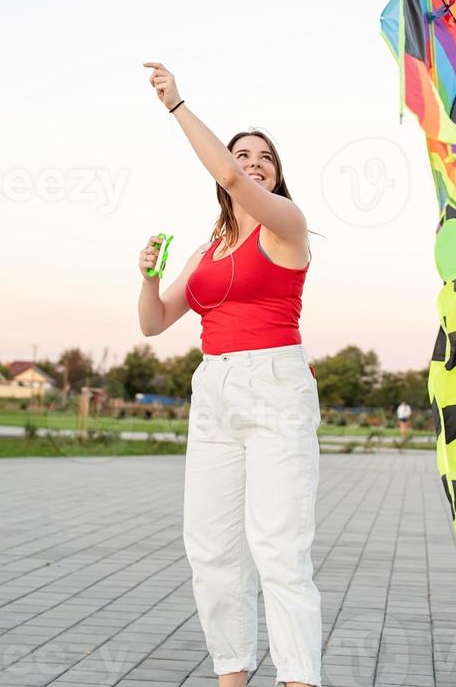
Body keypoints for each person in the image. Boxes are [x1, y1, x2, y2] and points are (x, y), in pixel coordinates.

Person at [137, 61, 322, 687]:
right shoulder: (207, 251)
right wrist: (147, 277)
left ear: (275, 173)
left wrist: (177, 105)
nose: (251, 161)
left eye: (263, 156)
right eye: (242, 153)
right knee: (210, 550)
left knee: (279, 551)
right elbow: (155, 323)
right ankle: (232, 675)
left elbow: (223, 174)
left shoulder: (287, 226)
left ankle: (298, 679)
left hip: (275, 387)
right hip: (213, 389)